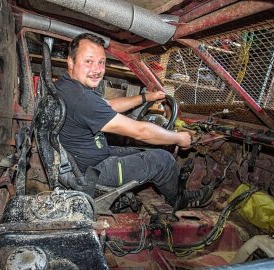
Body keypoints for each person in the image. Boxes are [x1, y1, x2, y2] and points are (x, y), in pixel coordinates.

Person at [54, 33, 212, 211]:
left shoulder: (67, 86)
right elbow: (141, 131)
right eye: (89, 61)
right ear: (70, 61)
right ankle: (177, 200)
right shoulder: (81, 98)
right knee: (163, 160)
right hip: (91, 174)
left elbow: (110, 105)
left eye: (101, 62)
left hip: (83, 162)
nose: (97, 69)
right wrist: (178, 138)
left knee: (144, 149)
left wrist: (146, 97)